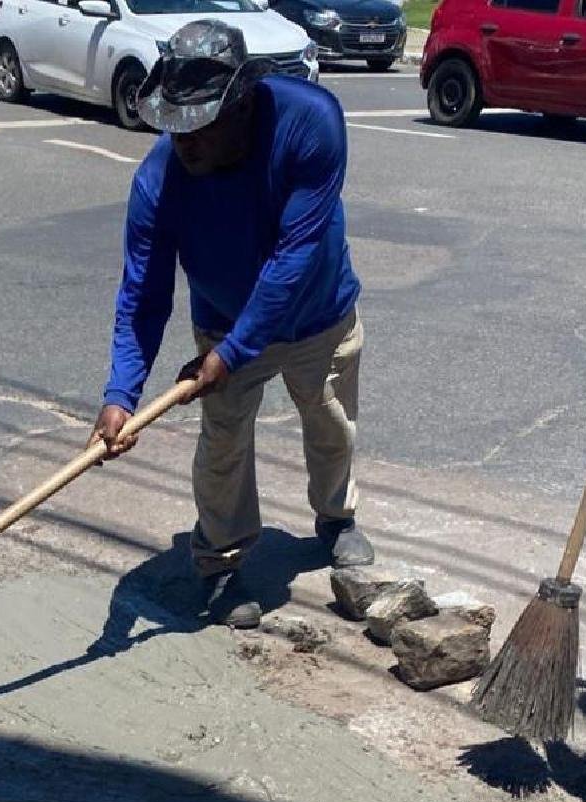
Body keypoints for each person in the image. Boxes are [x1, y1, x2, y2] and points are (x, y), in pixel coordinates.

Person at [89, 22, 373, 620]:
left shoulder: (311, 123)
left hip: (318, 313)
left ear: (241, 105)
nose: (181, 143)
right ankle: (221, 561)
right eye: (172, 125)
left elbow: (293, 256)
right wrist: (121, 395)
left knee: (330, 423)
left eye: (197, 128)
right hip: (223, 322)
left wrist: (234, 353)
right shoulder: (158, 183)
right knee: (222, 443)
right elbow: (143, 296)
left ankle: (335, 516)